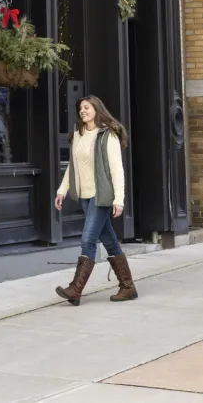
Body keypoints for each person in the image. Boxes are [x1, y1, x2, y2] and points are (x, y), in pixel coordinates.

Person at [53, 95, 137, 305]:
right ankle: (128, 287)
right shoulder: (78, 134)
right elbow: (73, 166)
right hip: (83, 195)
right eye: (80, 108)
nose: (82, 111)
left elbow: (117, 169)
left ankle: (75, 289)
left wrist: (119, 199)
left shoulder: (107, 135)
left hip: (101, 196)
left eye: (87, 107)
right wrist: (62, 190)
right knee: (109, 239)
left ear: (96, 109)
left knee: (88, 239)